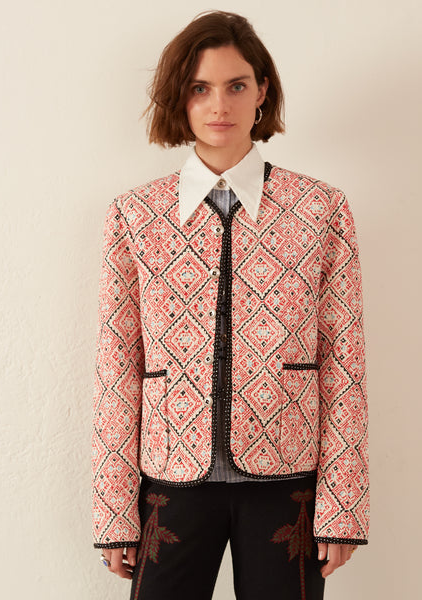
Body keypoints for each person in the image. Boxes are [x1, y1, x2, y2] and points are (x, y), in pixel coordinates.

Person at [92, 10, 369, 600]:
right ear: (180, 97)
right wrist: (113, 508)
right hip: (170, 476)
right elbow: (116, 365)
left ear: (262, 91)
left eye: (236, 85)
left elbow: (344, 360)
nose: (219, 105)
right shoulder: (135, 215)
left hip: (287, 480)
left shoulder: (320, 209)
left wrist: (343, 504)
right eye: (200, 88)